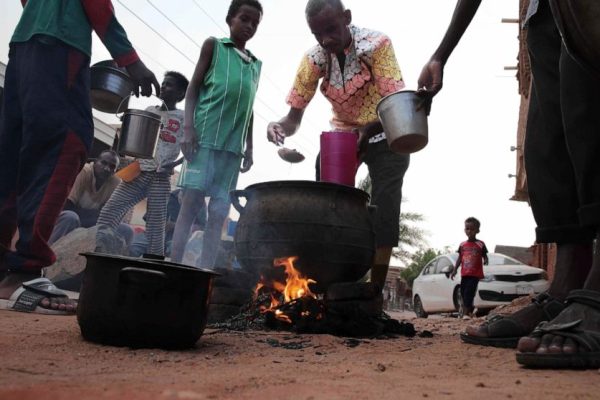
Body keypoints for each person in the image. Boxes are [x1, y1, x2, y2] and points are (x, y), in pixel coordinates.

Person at [417, 0, 600, 369]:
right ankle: (566, 287)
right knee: (549, 141)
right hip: (544, 11)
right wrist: (442, 52)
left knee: (590, 111)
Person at [0, 0, 159, 315]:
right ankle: (24, 272)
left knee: (15, 155)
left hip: (24, 45)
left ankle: (3, 267)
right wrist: (130, 60)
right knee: (66, 144)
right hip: (61, 46)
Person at [266, 0, 410, 292]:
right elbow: (293, 117)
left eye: (331, 29)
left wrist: (367, 131)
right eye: (317, 34)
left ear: (347, 17)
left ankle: (374, 290)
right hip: (343, 136)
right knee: (328, 205)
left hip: (384, 130)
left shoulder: (377, 45)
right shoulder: (314, 59)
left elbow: (395, 104)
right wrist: (279, 126)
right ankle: (328, 281)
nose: (325, 40)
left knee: (385, 208)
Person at [169, 0, 262, 268]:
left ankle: (205, 273)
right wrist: (188, 129)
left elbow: (249, 107)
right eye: (244, 19)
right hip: (204, 140)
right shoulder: (215, 47)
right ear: (230, 19)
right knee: (191, 203)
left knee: (219, 211)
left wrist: (250, 146)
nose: (249, 26)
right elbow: (193, 89)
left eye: (255, 23)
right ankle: (174, 266)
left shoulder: (255, 64)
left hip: (232, 150)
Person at [95, 71, 189, 257]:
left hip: (161, 176)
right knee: (110, 211)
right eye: (163, 84)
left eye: (169, 85)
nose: (163, 87)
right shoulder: (150, 111)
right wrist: (129, 122)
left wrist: (175, 164)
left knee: (155, 225)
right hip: (139, 170)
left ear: (180, 94)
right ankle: (98, 248)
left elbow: (191, 148)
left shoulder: (183, 117)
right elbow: (135, 137)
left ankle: (153, 261)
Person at [48, 150, 132, 246]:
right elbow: (67, 206)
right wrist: (96, 216)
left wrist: (97, 217)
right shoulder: (84, 171)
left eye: (112, 167)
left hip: (93, 225)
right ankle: (49, 254)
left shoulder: (115, 182)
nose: (106, 168)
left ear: (115, 170)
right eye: (103, 163)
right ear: (95, 162)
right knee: (70, 217)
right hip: (69, 219)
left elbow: (111, 217)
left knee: (126, 230)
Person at [450, 217, 488, 319]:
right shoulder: (462, 245)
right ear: (464, 230)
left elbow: (484, 254)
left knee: (469, 293)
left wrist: (486, 259)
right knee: (463, 293)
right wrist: (454, 270)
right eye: (467, 228)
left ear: (477, 231)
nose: (469, 231)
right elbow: (460, 258)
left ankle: (466, 314)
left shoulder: (480, 244)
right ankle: (470, 310)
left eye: (472, 229)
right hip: (464, 274)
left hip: (475, 274)